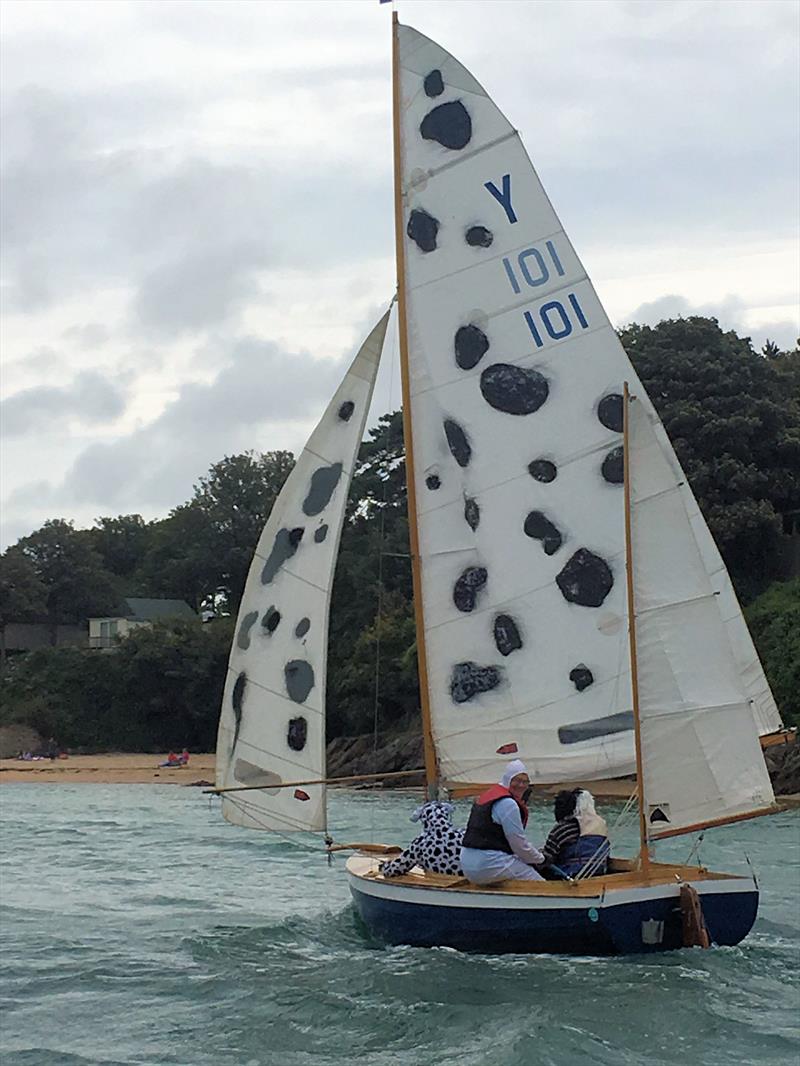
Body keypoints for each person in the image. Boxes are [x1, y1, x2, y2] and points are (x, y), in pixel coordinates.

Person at [460, 759, 545, 884]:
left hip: (467, 863)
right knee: (538, 882)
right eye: (516, 780)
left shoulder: (488, 796)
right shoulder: (508, 804)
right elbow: (519, 845)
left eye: (525, 782)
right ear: (507, 779)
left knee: (517, 867)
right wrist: (541, 859)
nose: (521, 785)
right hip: (488, 864)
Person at [547, 788, 610, 878]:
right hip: (597, 873)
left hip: (571, 874)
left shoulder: (563, 829)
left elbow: (548, 856)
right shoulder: (601, 825)